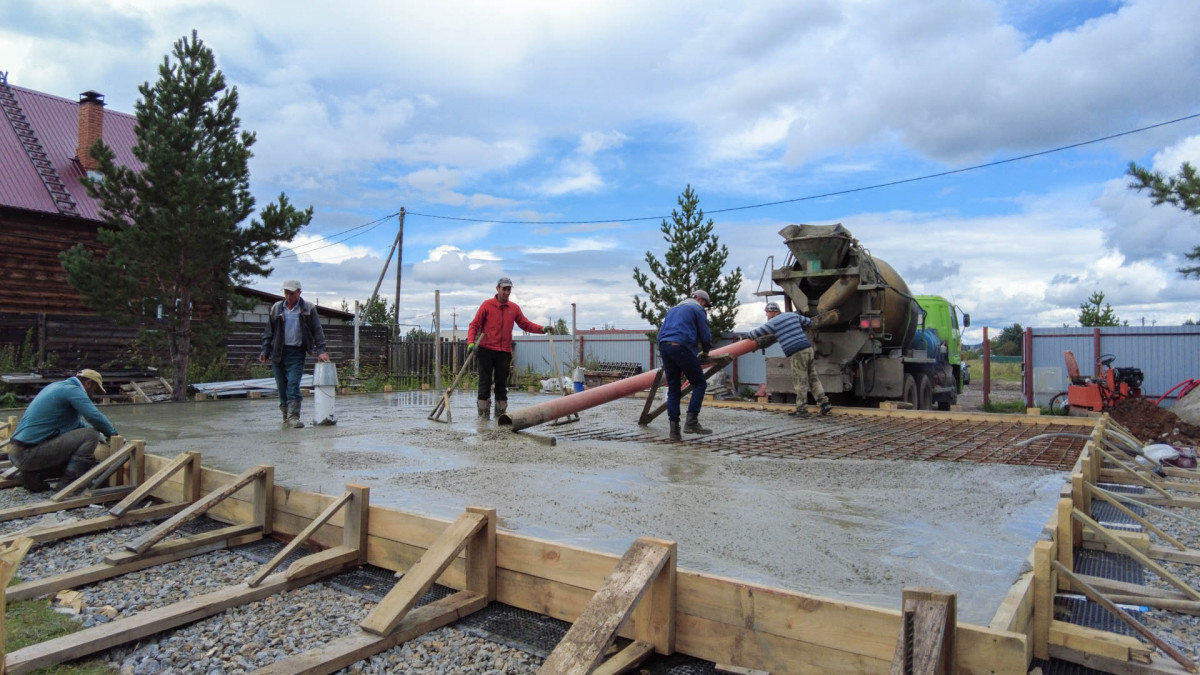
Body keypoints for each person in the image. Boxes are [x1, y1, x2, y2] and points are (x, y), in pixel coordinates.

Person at [8, 369, 118, 492]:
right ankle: (69, 486)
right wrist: (114, 434)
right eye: (95, 390)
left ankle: (32, 476)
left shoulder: (56, 387)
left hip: (15, 453)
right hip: (27, 454)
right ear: (88, 383)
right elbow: (94, 417)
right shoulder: (73, 390)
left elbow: (76, 424)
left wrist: (103, 434)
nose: (93, 394)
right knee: (91, 435)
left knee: (84, 448)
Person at [467, 277, 551, 419]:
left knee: (501, 384)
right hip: (486, 349)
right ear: (497, 289)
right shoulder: (487, 305)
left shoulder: (513, 308)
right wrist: (470, 342)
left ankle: (500, 416)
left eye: (509, 289)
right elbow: (474, 325)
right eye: (504, 289)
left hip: (504, 351)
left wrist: (542, 329)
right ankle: (483, 417)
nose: (506, 292)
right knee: (485, 382)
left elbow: (525, 324)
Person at [260, 279, 330, 429]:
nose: (288, 296)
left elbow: (317, 331)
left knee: (293, 384)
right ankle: (285, 414)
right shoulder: (277, 308)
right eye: (286, 293)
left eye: (291, 293)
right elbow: (268, 331)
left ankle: (293, 416)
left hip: (296, 352)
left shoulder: (308, 309)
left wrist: (321, 351)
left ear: (299, 292)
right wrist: (265, 350)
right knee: (282, 386)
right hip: (278, 352)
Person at [746, 301, 831, 417]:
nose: (766, 315)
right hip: (808, 349)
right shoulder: (792, 315)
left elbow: (758, 332)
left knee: (799, 381)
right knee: (813, 378)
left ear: (773, 312)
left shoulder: (773, 322)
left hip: (797, 353)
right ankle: (824, 403)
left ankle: (802, 410)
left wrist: (747, 336)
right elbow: (809, 322)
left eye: (767, 313)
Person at [657, 290, 714, 440]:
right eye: (705, 304)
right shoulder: (697, 309)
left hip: (664, 346)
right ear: (700, 300)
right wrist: (706, 351)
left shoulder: (673, 310)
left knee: (674, 389)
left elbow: (661, 332)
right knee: (699, 384)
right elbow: (705, 334)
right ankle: (691, 422)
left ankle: (674, 431)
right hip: (681, 345)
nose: (705, 307)